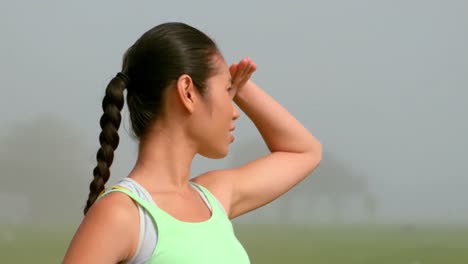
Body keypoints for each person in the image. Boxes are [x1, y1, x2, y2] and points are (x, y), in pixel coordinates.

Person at [63, 22, 322, 264]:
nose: (234, 111)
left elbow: (304, 151)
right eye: (226, 91)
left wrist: (241, 88)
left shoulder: (213, 197)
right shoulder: (121, 215)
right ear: (187, 92)